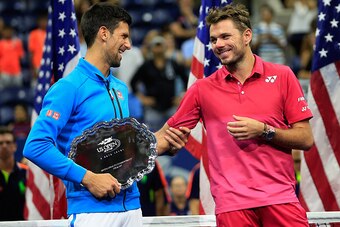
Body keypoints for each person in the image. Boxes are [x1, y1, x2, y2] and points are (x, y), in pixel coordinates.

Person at [23, 3, 190, 227]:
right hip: (92, 211)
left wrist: (157, 144)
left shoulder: (120, 88)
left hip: (132, 207)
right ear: (104, 33)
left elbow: (118, 152)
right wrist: (88, 178)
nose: (129, 45)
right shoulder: (69, 87)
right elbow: (35, 146)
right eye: (123, 36)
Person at [166, 3, 314, 226]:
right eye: (214, 39)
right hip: (232, 205)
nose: (218, 44)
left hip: (280, 198)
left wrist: (265, 131)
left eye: (225, 36)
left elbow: (306, 139)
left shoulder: (282, 76)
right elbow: (168, 134)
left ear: (247, 35)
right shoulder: (201, 89)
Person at [0, 127, 27, 221]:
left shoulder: (26, 172)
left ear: (15, 146)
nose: (4, 146)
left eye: (8, 142)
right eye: (0, 143)